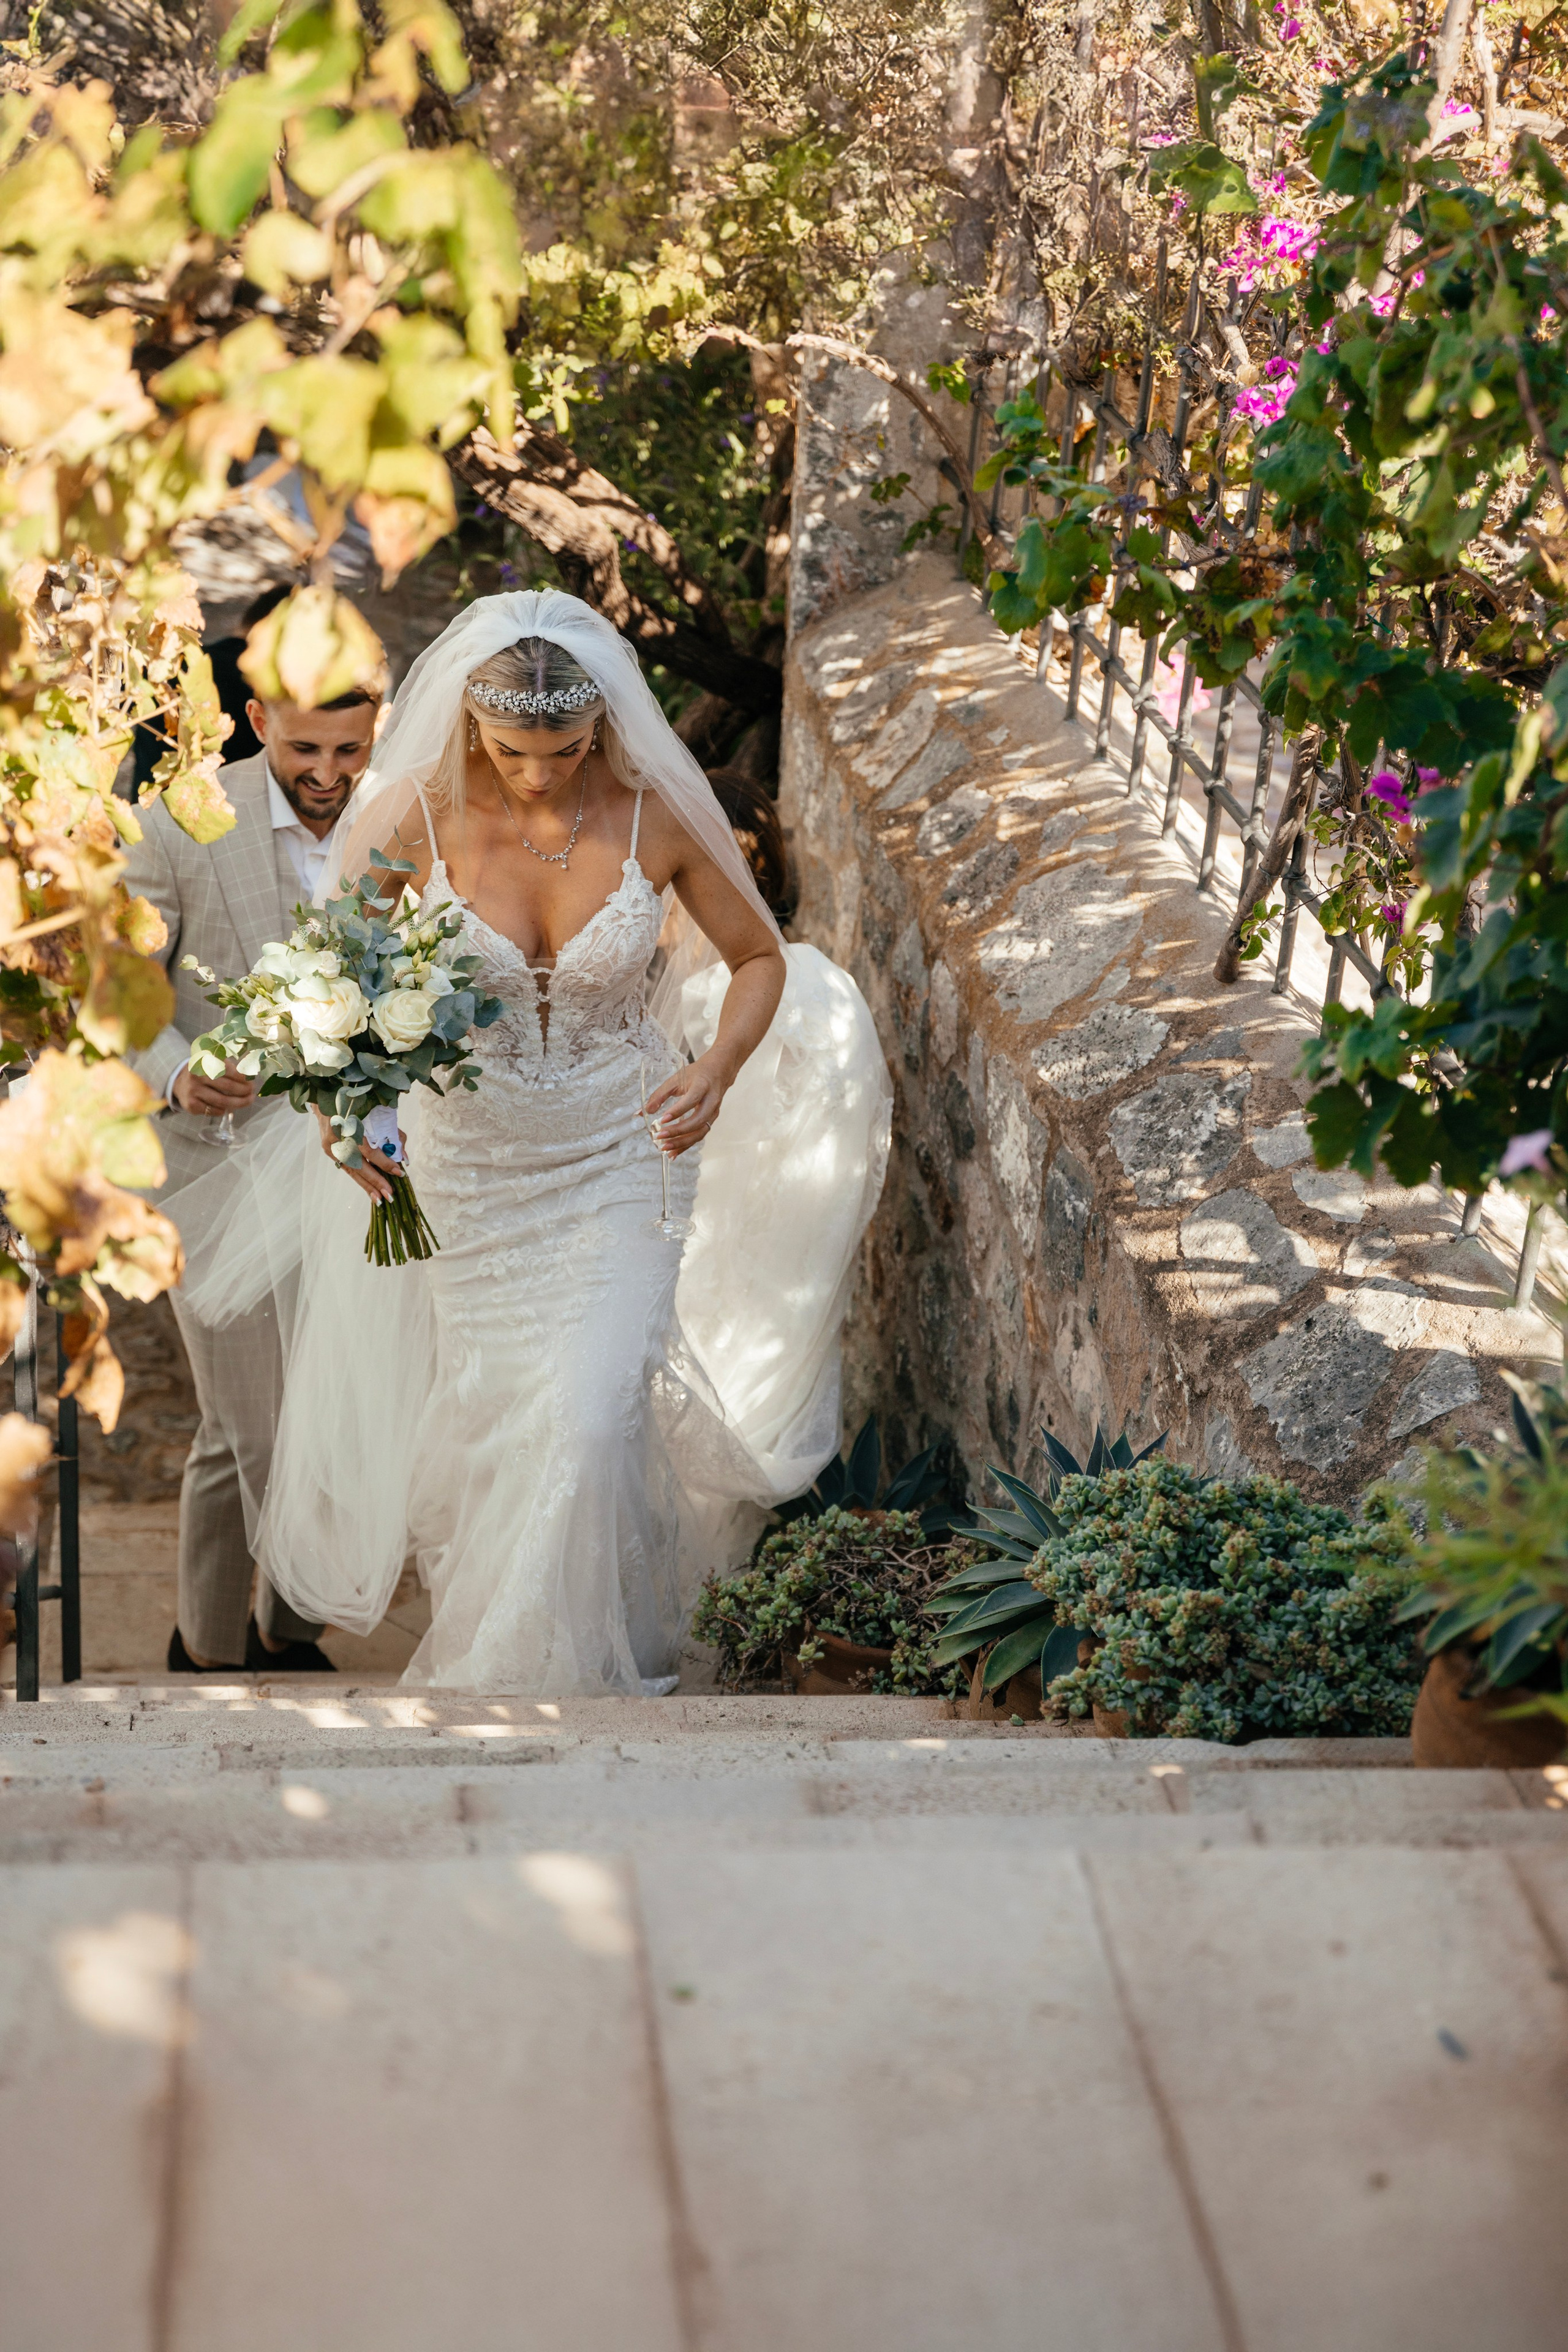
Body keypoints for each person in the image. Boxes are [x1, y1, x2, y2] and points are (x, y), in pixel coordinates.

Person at [173, 590, 892, 1695]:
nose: (539, 773)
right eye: (513, 751)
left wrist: (715, 1069)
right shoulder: (415, 812)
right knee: (502, 1416)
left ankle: (537, 1676)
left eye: (562, 749)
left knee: (590, 1411)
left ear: (598, 727)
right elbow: (334, 984)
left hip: (622, 1150)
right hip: (472, 1167)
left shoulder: (656, 814)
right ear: (472, 726)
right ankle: (529, 1654)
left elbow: (760, 958)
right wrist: (338, 1110)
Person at [124, 645, 386, 1673]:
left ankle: (286, 1624)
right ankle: (210, 1649)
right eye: (304, 745)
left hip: (362, 1164)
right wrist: (177, 1073)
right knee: (254, 1423)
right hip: (216, 1163)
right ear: (257, 714)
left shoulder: (405, 819)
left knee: (350, 1411)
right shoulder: (181, 822)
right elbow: (117, 993)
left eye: (350, 747)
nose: (328, 772)